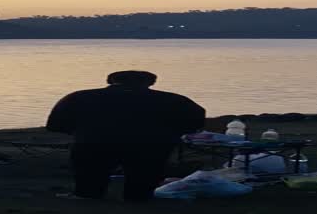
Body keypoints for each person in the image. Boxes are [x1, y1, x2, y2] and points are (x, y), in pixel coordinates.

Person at [46, 71, 206, 202]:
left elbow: (55, 123)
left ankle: (87, 196)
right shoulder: (175, 100)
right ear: (150, 83)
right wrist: (172, 134)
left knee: (90, 176)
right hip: (150, 145)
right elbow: (196, 120)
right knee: (143, 178)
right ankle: (138, 199)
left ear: (110, 81)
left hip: (95, 142)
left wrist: (79, 133)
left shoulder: (78, 97)